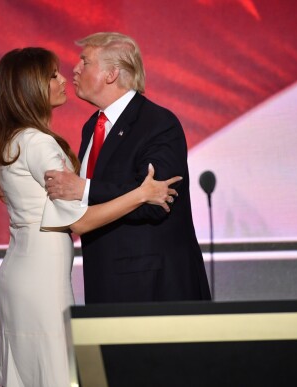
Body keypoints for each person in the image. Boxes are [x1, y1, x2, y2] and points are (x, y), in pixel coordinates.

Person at [0, 47, 180, 387]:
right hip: (42, 281)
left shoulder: (9, 141)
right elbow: (81, 221)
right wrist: (142, 193)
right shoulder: (40, 144)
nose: (63, 80)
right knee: (58, 375)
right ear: (32, 88)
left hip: (16, 275)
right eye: (52, 76)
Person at [44, 32, 212, 304]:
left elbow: (157, 200)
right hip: (106, 282)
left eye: (84, 62)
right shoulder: (93, 126)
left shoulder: (158, 124)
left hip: (151, 289)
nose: (74, 69)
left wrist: (84, 189)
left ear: (111, 74)